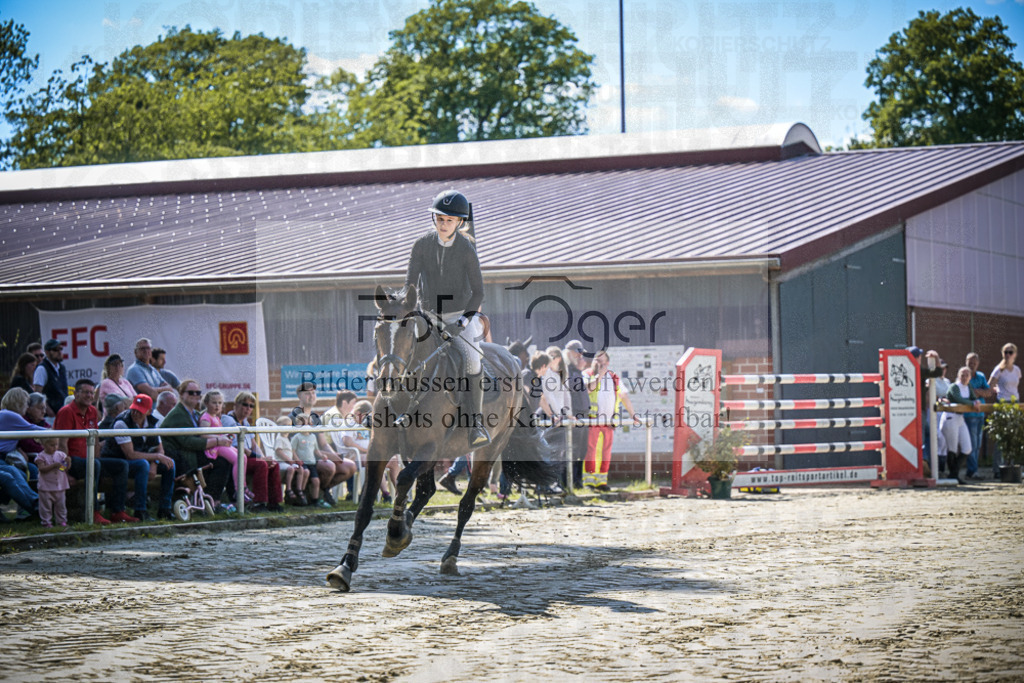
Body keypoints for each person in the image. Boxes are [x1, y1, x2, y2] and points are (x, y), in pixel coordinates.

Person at [404, 188, 489, 447]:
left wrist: (462, 323)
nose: (443, 224)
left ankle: (475, 424)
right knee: (403, 351)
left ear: (459, 222)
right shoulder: (421, 245)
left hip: (461, 315)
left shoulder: (466, 249)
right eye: (440, 219)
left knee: (472, 360)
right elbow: (410, 285)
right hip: (428, 315)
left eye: (449, 220)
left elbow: (478, 293)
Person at [54, 379, 136, 524]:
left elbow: (96, 442)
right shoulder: (66, 412)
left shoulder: (92, 411)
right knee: (94, 465)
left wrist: (98, 459)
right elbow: (61, 444)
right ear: (76, 394)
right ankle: (93, 511)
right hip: (72, 461)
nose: (89, 396)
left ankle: (117, 511)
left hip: (90, 460)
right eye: (86, 392)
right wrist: (63, 472)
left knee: (121, 465)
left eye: (92, 393)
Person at [159, 378, 234, 513]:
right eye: (191, 392)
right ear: (181, 394)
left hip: (190, 453)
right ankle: (212, 501)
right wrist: (217, 441)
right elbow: (189, 442)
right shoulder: (178, 414)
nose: (195, 395)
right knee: (221, 463)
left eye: (198, 393)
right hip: (180, 456)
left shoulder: (195, 414)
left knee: (225, 461)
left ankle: (216, 500)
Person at [100, 394, 176, 521]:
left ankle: (165, 508)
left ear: (148, 412)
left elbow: (160, 448)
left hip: (140, 460)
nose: (135, 413)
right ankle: (140, 509)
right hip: (117, 461)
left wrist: (155, 463)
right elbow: (130, 454)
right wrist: (155, 457)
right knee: (142, 465)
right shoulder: (122, 423)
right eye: (133, 409)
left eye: (140, 411)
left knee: (170, 464)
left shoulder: (153, 423)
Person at [290, 382, 355, 506]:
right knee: (329, 466)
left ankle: (323, 490)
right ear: (300, 396)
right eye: (307, 393)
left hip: (318, 455)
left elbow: (323, 443)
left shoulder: (315, 417)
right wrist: (326, 456)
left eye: (313, 393)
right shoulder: (294, 417)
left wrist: (333, 455)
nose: (311, 396)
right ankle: (317, 495)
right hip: (304, 459)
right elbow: (297, 448)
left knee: (350, 466)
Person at [583, 350, 639, 491]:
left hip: (609, 422)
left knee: (605, 452)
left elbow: (624, 395)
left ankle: (601, 481)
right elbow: (589, 389)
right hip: (593, 421)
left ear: (607, 363)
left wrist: (633, 415)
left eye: (602, 361)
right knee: (591, 451)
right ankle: (589, 481)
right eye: (596, 360)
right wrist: (599, 375)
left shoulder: (614, 378)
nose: (599, 363)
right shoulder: (587, 374)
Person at [222, 391, 283, 512]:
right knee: (261, 464)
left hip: (248, 457)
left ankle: (274, 502)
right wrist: (261, 459)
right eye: (245, 405)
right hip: (236, 459)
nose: (248, 409)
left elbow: (254, 444)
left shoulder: (245, 422)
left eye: (251, 406)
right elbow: (237, 447)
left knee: (273, 464)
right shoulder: (228, 420)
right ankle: (258, 502)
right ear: (236, 405)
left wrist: (265, 458)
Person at [0, 388, 43, 519]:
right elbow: (36, 430)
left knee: (28, 470)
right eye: (26, 403)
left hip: (4, 458)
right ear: (19, 402)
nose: (27, 407)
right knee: (11, 474)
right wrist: (62, 431)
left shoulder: (5, 414)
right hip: (2, 459)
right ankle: (36, 506)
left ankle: (31, 508)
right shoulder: (10, 415)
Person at [199, 390, 245, 496]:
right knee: (237, 459)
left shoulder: (216, 417)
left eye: (220, 403)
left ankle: (244, 486)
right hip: (214, 447)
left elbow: (218, 432)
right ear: (206, 403)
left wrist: (227, 435)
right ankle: (238, 489)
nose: (217, 406)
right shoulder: (206, 417)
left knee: (242, 456)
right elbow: (203, 434)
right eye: (214, 403)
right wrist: (220, 437)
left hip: (220, 444)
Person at [942, 366, 981, 485]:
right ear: (958, 376)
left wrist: (976, 402)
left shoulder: (968, 386)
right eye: (962, 375)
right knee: (952, 448)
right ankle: (954, 475)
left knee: (967, 448)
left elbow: (974, 398)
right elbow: (958, 399)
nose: (964, 378)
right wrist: (973, 403)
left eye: (967, 375)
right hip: (950, 417)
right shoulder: (954, 387)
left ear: (970, 377)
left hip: (960, 418)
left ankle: (953, 473)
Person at [988, 343, 1021, 476]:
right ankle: (997, 469)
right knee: (1000, 438)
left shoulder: (1017, 370)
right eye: (1005, 352)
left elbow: (1015, 386)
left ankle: (1011, 466)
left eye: (1010, 352)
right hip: (1002, 403)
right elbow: (990, 385)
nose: (1008, 355)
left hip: (1015, 403)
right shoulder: (999, 369)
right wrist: (996, 390)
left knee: (1013, 436)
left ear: (1015, 355)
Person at [564, 340, 591, 488]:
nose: (581, 358)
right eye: (578, 354)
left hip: (583, 414)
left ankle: (578, 480)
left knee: (582, 449)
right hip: (575, 414)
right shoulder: (568, 370)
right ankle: (571, 481)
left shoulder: (577, 372)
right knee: (573, 449)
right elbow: (571, 389)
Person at [964, 352, 994, 480]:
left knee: (978, 444)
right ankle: (972, 470)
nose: (972, 365)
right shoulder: (964, 375)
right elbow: (967, 394)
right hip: (969, 415)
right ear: (966, 362)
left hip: (980, 414)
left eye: (974, 363)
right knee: (972, 443)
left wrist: (979, 392)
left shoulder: (981, 376)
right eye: (970, 362)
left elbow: (989, 392)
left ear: (978, 364)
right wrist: (979, 393)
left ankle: (972, 470)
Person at [292, 413, 329, 508]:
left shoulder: (313, 437)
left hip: (311, 462)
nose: (305, 426)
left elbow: (316, 450)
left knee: (316, 481)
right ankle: (301, 495)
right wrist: (297, 460)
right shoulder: (297, 437)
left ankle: (315, 500)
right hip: (302, 463)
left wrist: (322, 456)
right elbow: (292, 450)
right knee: (305, 472)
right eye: (302, 424)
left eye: (307, 423)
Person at [35, 437, 70, 528]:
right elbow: (42, 469)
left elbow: (63, 469)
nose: (55, 447)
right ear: (43, 445)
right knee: (46, 506)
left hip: (60, 486)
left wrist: (67, 463)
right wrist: (53, 465)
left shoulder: (61, 455)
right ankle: (46, 522)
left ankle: (61, 521)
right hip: (46, 486)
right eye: (51, 445)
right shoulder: (41, 456)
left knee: (61, 506)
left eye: (56, 444)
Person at [274, 415, 308, 505]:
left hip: (288, 462)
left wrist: (296, 460)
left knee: (301, 469)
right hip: (281, 462)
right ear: (278, 427)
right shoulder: (279, 438)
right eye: (284, 425)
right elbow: (279, 452)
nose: (287, 427)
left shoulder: (287, 438)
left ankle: (299, 489)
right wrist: (289, 460)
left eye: (289, 425)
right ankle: (288, 489)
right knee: (291, 469)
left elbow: (292, 452)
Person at [32, 339, 69, 418]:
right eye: (55, 349)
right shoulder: (42, 369)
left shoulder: (61, 368)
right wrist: (49, 412)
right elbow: (38, 393)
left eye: (60, 349)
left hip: (62, 413)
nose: (59, 352)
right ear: (47, 352)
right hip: (50, 417)